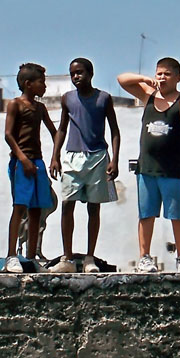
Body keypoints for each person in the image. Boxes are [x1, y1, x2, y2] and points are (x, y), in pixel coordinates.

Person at [118, 58, 180, 273]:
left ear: (178, 77)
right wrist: (144, 79)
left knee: (178, 216)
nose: (162, 78)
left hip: (173, 170)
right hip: (147, 169)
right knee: (146, 214)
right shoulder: (148, 95)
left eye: (167, 74)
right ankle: (145, 257)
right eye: (159, 74)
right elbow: (122, 80)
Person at [48, 58, 121, 273]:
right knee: (67, 204)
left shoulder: (104, 98)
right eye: (72, 73)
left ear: (90, 73)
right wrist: (55, 156)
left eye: (79, 72)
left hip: (97, 156)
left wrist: (115, 159)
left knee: (93, 207)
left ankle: (90, 258)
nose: (76, 77)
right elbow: (62, 128)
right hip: (72, 156)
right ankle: (67, 258)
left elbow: (115, 130)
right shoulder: (67, 99)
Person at [3, 63, 57, 273]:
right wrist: (22, 159)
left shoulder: (40, 108)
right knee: (19, 207)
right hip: (21, 163)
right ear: (28, 84)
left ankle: (31, 256)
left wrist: (56, 156)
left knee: (37, 209)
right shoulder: (15, 105)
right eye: (41, 82)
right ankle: (11, 256)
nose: (44, 87)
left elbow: (54, 131)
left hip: (38, 162)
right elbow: (8, 134)